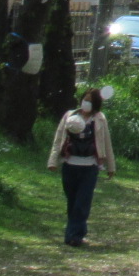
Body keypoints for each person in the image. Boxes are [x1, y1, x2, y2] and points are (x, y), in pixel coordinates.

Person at [46, 87, 117, 247]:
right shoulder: (70, 116)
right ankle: (78, 231)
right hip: (70, 166)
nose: (86, 103)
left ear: (96, 104)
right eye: (85, 99)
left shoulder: (99, 119)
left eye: (90, 101)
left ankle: (73, 236)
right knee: (72, 201)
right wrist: (52, 161)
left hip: (89, 167)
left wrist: (111, 166)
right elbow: (58, 139)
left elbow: (107, 143)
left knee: (82, 202)